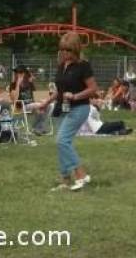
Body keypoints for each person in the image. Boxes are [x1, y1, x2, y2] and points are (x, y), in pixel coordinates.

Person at [39, 32, 98, 192]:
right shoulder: (61, 65)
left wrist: (75, 96)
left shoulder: (83, 66)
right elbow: (59, 90)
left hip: (79, 108)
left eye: (68, 50)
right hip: (61, 108)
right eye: (62, 50)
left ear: (76, 50)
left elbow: (93, 89)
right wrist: (46, 102)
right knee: (62, 144)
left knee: (62, 140)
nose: (64, 53)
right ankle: (65, 180)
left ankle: (81, 175)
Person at [9, 65, 51, 135]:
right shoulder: (13, 85)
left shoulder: (29, 83)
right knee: (39, 106)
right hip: (20, 106)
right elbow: (14, 100)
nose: (17, 74)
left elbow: (35, 96)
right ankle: (37, 128)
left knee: (48, 105)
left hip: (31, 105)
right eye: (16, 72)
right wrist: (18, 85)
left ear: (24, 74)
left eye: (19, 72)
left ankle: (37, 127)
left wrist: (41, 101)